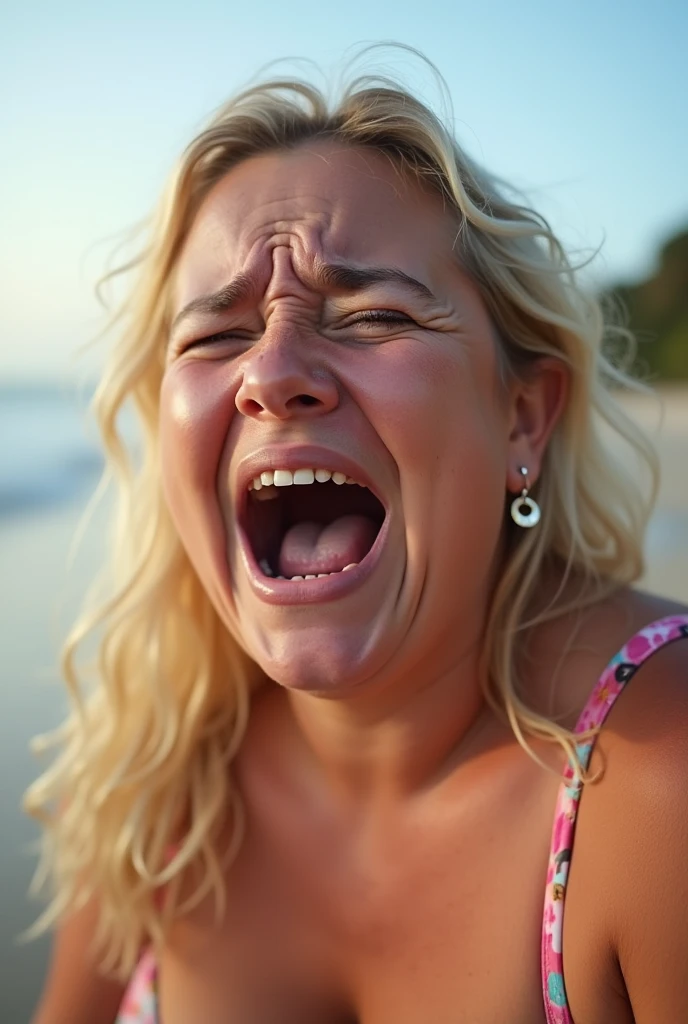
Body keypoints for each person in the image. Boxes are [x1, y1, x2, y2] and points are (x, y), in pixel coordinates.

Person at [26, 54, 688, 1024]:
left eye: (372, 314)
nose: (273, 370)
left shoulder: (657, 778)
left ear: (522, 419)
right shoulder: (156, 781)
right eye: (214, 337)